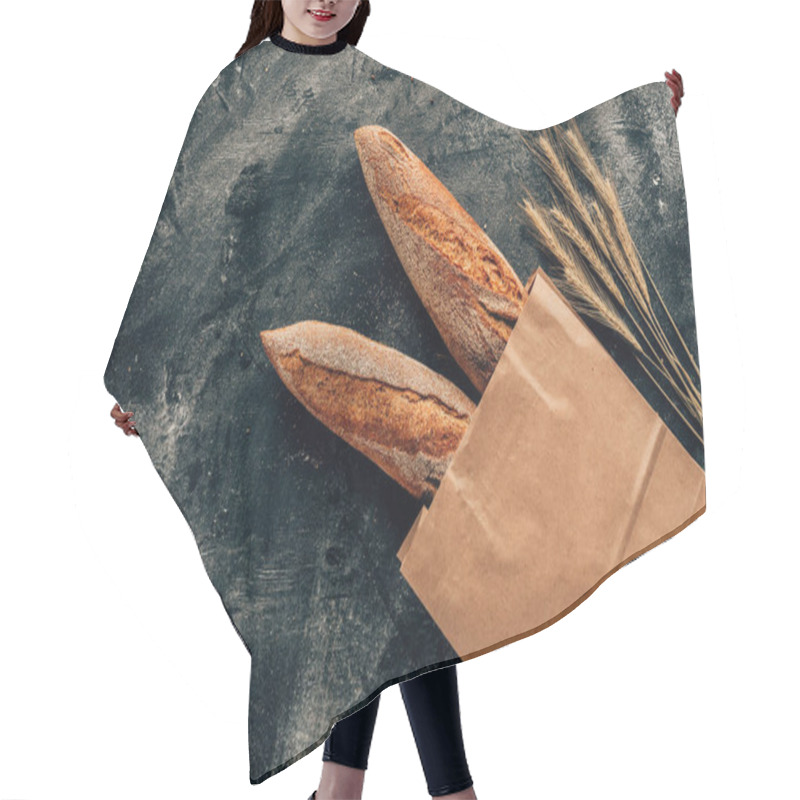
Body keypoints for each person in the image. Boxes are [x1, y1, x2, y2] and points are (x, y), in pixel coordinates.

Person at [110, 3, 685, 798]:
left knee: (398, 602)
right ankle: (428, 791)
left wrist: (632, 131)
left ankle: (351, 788)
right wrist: (148, 375)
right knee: (382, 598)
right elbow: (184, 242)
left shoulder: (371, 86)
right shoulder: (233, 94)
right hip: (283, 395)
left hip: (391, 367)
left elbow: (500, 153)